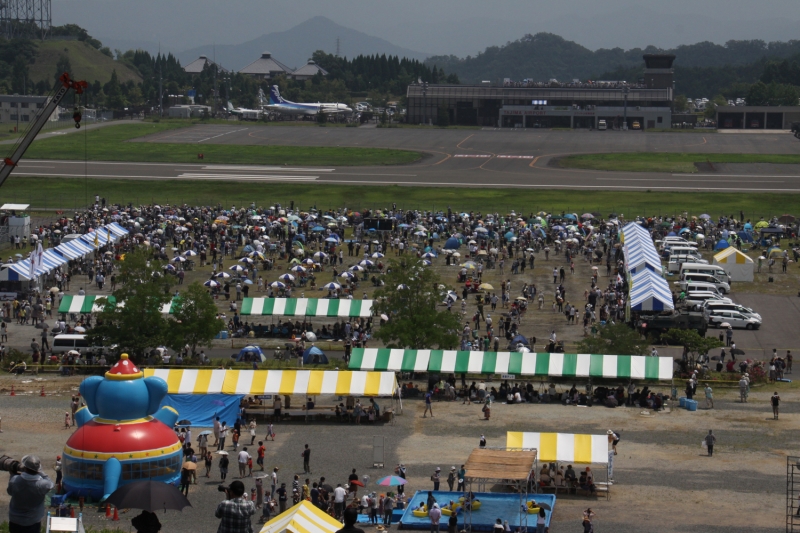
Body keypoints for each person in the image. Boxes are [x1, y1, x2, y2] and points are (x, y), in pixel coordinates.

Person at [7, 455, 54, 533]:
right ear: (38, 469)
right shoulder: (42, 485)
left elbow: (10, 492)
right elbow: (51, 483)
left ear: (24, 467)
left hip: (15, 520)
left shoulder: (14, 480)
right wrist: (41, 472)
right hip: (33, 522)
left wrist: (12, 473)